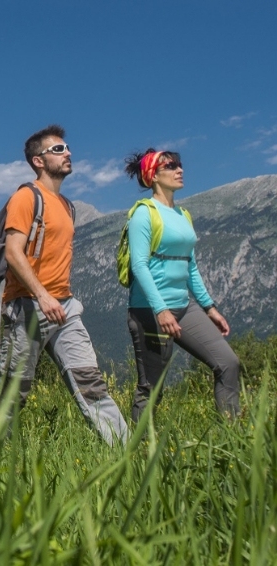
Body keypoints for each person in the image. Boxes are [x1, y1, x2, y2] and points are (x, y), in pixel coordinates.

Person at [0, 125, 129, 446]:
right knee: (13, 391)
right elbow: (13, 252)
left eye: (67, 149)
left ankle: (127, 455)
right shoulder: (26, 197)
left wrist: (57, 299)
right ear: (39, 161)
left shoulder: (66, 206)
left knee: (90, 383)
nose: (68, 154)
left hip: (65, 307)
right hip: (27, 307)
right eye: (58, 150)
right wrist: (42, 295)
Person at [123, 149, 240, 422]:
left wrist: (210, 307)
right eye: (171, 166)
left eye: (180, 165)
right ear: (153, 176)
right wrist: (161, 310)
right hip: (150, 311)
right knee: (152, 387)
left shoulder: (183, 214)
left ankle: (234, 436)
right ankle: (134, 455)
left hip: (184, 307)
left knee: (228, 364)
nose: (180, 170)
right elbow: (139, 265)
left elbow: (190, 265)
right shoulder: (143, 214)